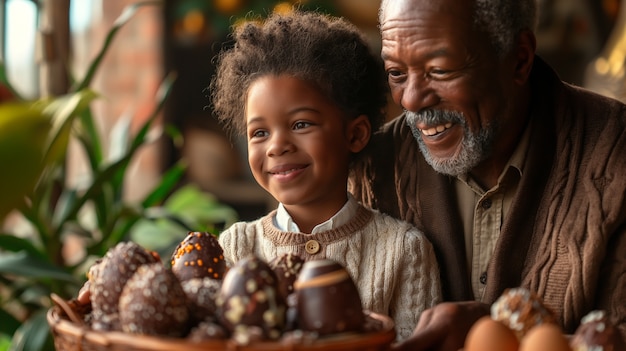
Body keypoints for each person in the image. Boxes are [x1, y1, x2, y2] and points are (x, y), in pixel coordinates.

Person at [349, 0, 626, 349]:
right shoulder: (371, 170)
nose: (412, 100)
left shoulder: (615, 159)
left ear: (519, 59)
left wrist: (491, 330)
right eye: (396, 74)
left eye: (440, 69)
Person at [209, 10, 442, 341]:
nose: (276, 147)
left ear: (355, 134)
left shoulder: (404, 252)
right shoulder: (235, 248)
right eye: (259, 133)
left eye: (301, 124)